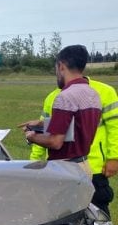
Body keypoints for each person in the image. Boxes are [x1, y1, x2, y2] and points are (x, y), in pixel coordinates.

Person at [29, 75, 118, 214]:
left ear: (62, 67)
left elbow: (115, 127)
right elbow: (44, 133)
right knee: (63, 213)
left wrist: (114, 157)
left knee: (98, 213)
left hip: (94, 167)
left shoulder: (105, 91)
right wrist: (35, 160)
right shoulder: (53, 97)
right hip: (60, 168)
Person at [21, 45, 102, 178]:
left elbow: (55, 142)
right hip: (84, 166)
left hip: (65, 169)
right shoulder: (93, 94)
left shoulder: (65, 96)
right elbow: (74, 128)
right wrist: (43, 124)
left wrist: (31, 136)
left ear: (61, 66)